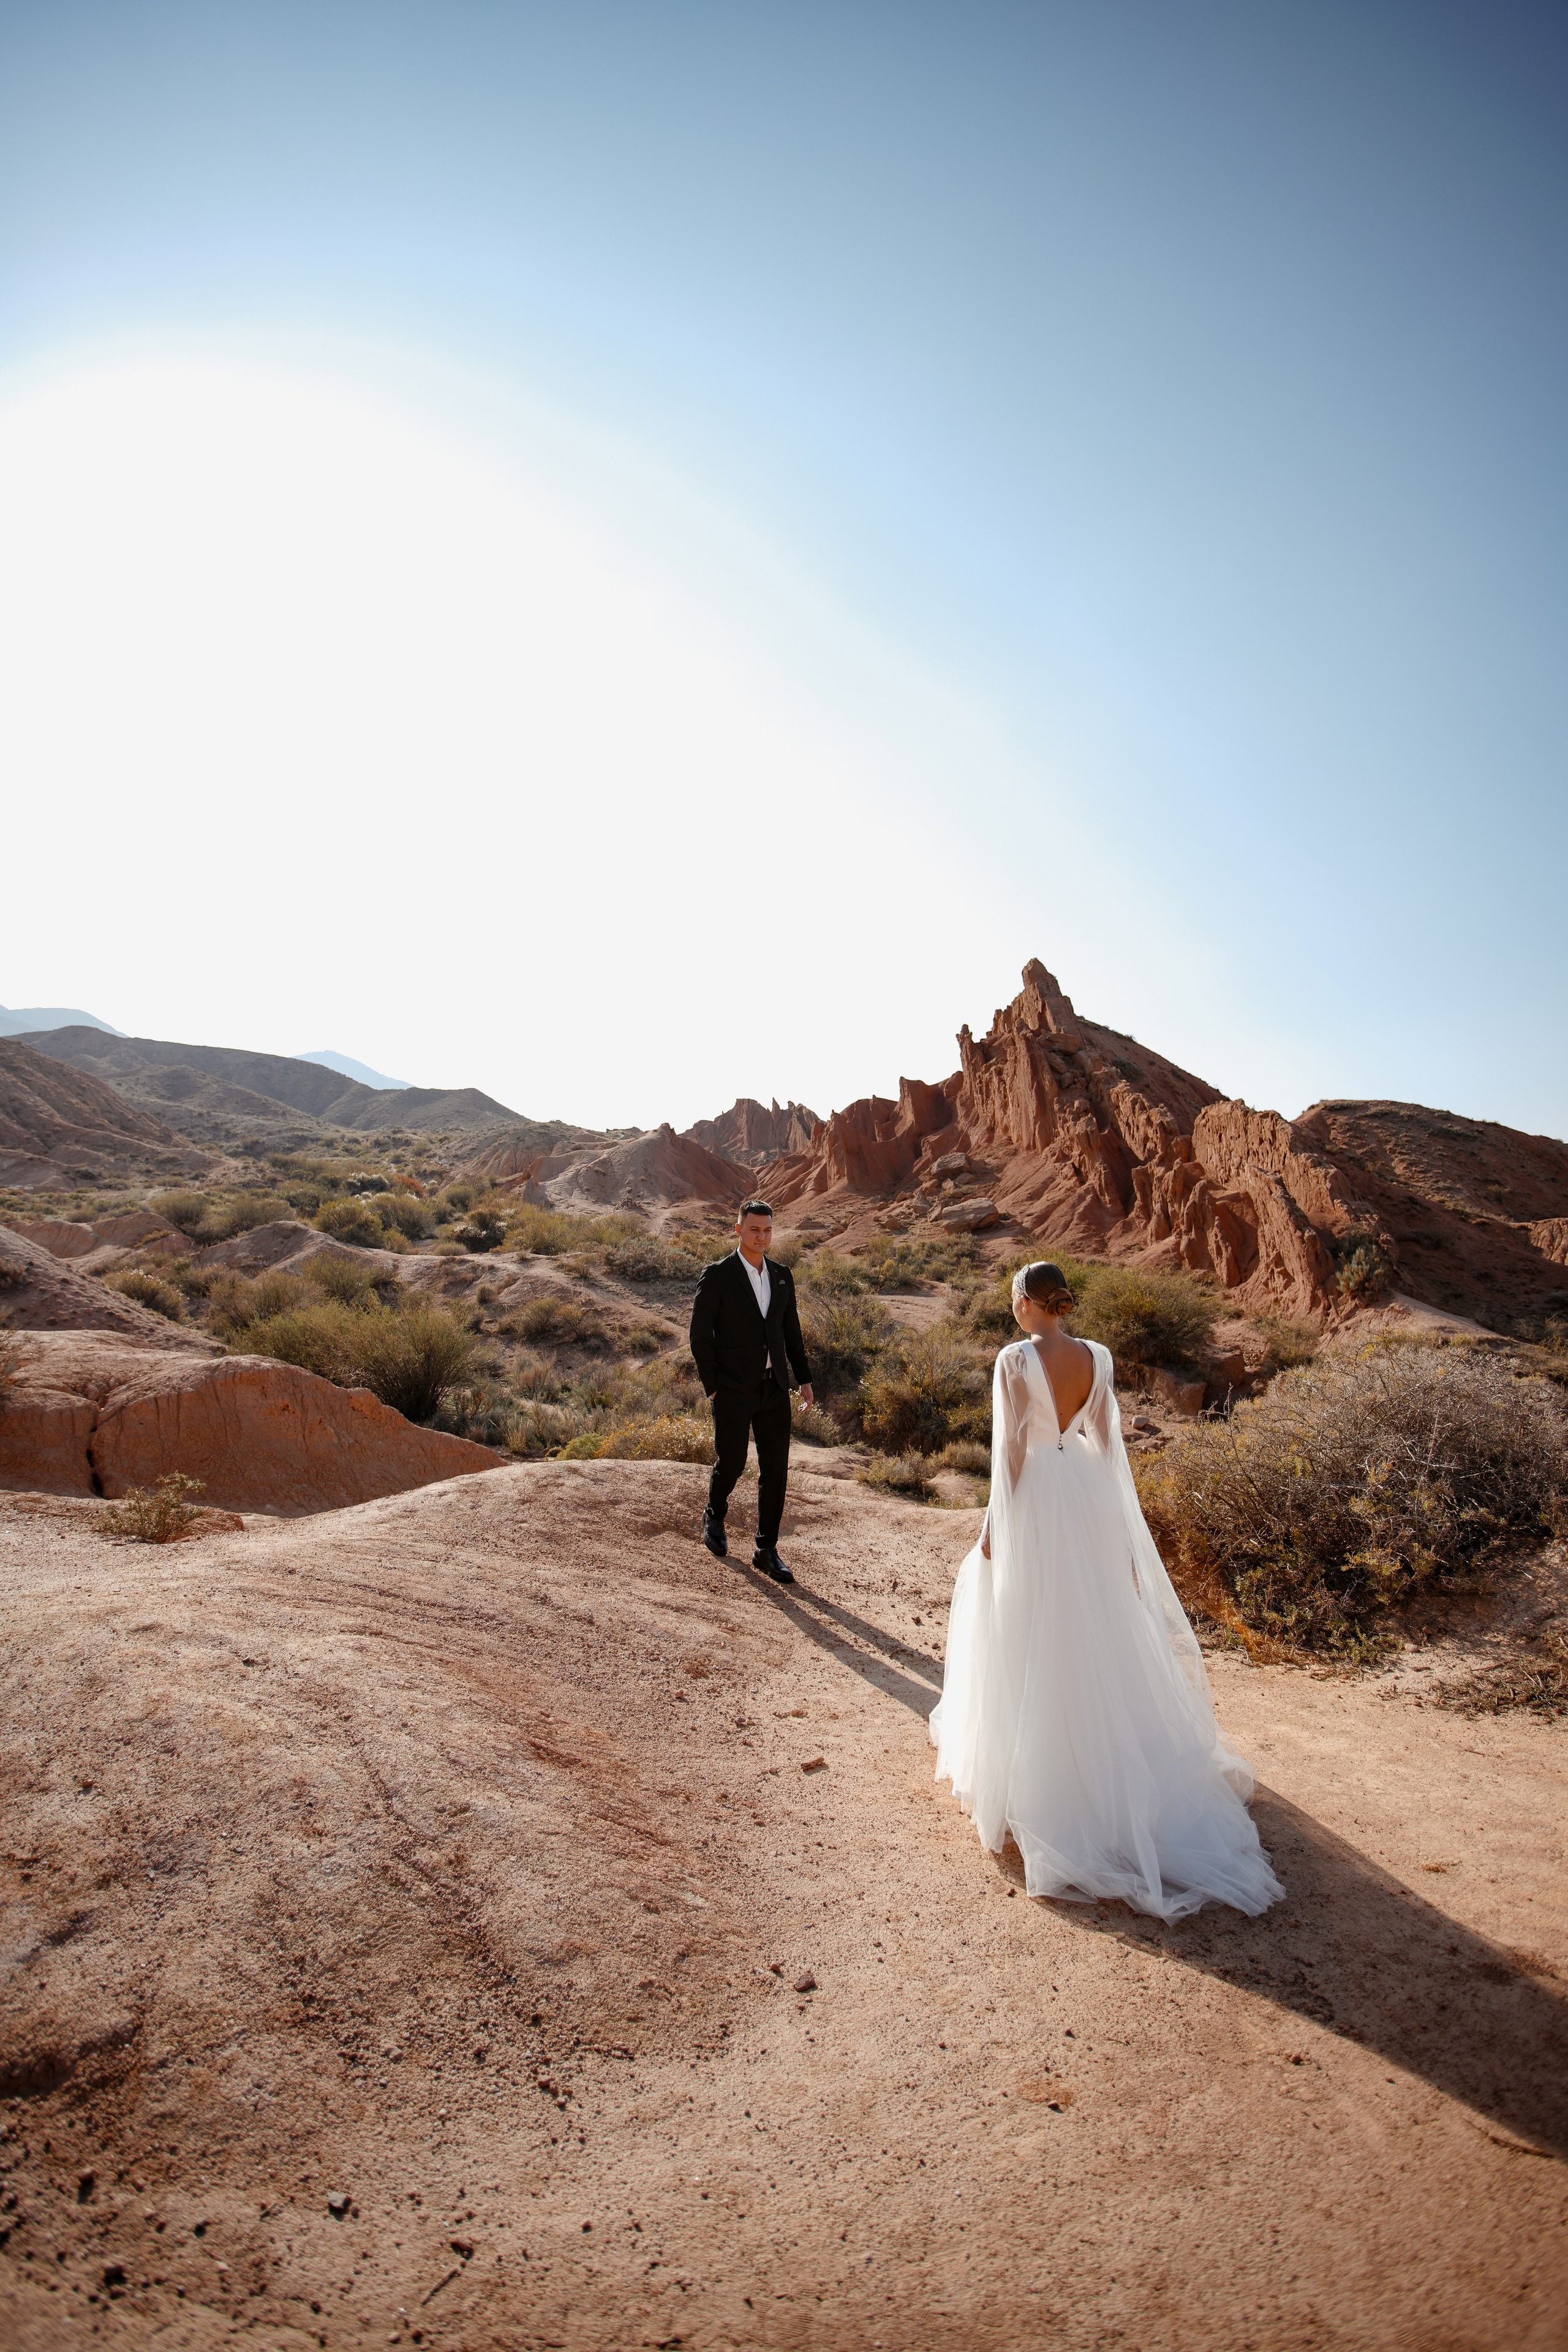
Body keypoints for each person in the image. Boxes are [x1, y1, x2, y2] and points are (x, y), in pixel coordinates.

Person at [930, 1260, 1283, 1920]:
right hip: (1086, 1490)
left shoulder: (1013, 1359)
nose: (1012, 1307)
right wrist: (1112, 1516)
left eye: (1013, 1297)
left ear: (1025, 1303)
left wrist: (991, 1523)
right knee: (1096, 1617)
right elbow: (1104, 1436)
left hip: (1036, 1491)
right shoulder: (1097, 1355)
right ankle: (1121, 1756)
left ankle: (1047, 1778)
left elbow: (1009, 1451)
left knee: (1030, 1612)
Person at [688, 1198, 814, 1585]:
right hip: (732, 1390)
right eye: (754, 1229)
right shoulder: (718, 1276)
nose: (761, 1237)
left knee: (775, 1470)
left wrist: (804, 1380)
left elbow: (791, 1332)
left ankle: (766, 1549)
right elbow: (699, 1337)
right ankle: (715, 1513)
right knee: (733, 1461)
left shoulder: (781, 1276)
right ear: (739, 1229)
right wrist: (714, 1387)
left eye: (767, 1230)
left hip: (774, 1388)